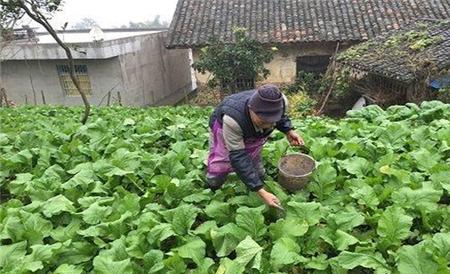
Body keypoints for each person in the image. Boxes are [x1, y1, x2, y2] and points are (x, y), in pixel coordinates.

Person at [206, 84, 304, 208]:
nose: (269, 126)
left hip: (251, 129)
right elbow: (238, 156)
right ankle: (212, 188)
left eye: (272, 121)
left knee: (254, 157)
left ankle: (258, 177)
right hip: (223, 128)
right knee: (220, 164)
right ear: (251, 109)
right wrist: (261, 191)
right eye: (264, 121)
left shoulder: (281, 101)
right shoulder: (232, 120)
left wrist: (288, 130)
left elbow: (281, 117)